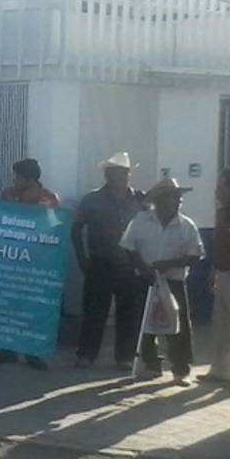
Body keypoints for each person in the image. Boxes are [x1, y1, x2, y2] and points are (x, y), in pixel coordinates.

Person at [122, 177, 205, 384]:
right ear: (159, 200)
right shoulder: (140, 220)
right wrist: (142, 268)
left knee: (179, 326)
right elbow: (128, 247)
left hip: (174, 281)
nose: (177, 201)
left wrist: (171, 263)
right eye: (172, 197)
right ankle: (150, 365)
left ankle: (180, 368)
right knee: (145, 325)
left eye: (178, 198)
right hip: (145, 279)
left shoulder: (187, 225)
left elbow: (195, 255)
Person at [73, 152, 147, 369]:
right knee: (94, 311)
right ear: (106, 175)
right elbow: (76, 229)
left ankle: (125, 356)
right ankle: (86, 354)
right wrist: (81, 258)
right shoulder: (92, 199)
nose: (117, 176)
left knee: (129, 313)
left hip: (130, 264)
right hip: (100, 262)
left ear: (128, 174)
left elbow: (151, 227)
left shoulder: (140, 200)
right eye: (112, 172)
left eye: (122, 172)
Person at [0, 158, 60, 370]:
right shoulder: (8, 195)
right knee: (7, 305)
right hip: (9, 259)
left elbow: (54, 229)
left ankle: (32, 352)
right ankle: (7, 350)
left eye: (17, 177)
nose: (14, 180)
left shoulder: (48, 199)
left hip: (37, 262)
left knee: (33, 307)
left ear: (30, 179)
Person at [202, 168, 230, 386]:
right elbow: (219, 243)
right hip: (223, 272)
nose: (217, 190)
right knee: (222, 324)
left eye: (222, 185)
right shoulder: (223, 212)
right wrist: (213, 270)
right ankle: (220, 370)